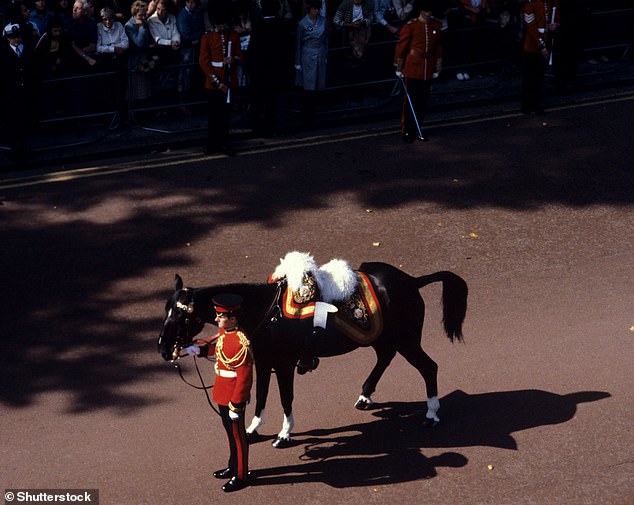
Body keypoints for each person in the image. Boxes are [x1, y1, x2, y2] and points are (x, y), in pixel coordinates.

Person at [185, 294, 253, 493]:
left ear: (233, 318)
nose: (216, 320)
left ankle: (241, 475)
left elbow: (245, 376)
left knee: (239, 437)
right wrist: (201, 351)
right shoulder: (226, 332)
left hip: (233, 397)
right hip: (222, 391)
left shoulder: (241, 341)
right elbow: (220, 349)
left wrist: (237, 403)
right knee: (230, 435)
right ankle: (233, 466)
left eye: (221, 316)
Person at [393, 0, 441, 142]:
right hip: (413, 68)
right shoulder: (411, 27)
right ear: (421, 11)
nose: (428, 14)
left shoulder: (435, 26)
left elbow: (437, 48)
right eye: (425, 11)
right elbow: (401, 47)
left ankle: (418, 126)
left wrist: (437, 68)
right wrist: (398, 67)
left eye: (429, 11)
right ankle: (407, 129)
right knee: (410, 101)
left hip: (427, 68)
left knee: (423, 101)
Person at [198, 0, 242, 155]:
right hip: (214, 82)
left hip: (229, 80)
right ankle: (212, 143)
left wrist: (234, 59)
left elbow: (239, 55)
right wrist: (218, 83)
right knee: (214, 115)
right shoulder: (207, 37)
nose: (222, 27)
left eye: (223, 24)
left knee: (225, 116)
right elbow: (204, 62)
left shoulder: (234, 36)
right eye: (219, 24)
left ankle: (224, 143)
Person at [245, 0, 288, 134]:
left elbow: (252, 49)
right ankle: (270, 125)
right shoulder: (281, 26)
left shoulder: (259, 27)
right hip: (275, 69)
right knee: (272, 99)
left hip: (259, 69)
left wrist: (249, 67)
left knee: (257, 98)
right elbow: (284, 50)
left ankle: (255, 124)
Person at [1, 22, 39, 161]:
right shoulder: (4, 53)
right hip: (11, 96)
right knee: (13, 124)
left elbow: (34, 72)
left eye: (17, 36)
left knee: (27, 122)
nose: (15, 40)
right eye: (12, 37)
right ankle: (16, 152)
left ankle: (27, 150)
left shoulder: (28, 50)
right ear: (7, 38)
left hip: (27, 93)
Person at [294, 0, 327, 124]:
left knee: (317, 84)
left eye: (318, 9)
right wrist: (297, 62)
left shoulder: (322, 21)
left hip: (320, 53)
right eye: (314, 9)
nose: (316, 11)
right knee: (307, 85)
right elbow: (298, 44)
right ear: (309, 9)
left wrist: (325, 56)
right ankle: (307, 114)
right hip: (307, 55)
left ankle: (313, 113)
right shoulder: (302, 24)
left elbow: (326, 40)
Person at [520, 0, 549, 114]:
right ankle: (527, 105)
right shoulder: (530, 3)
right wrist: (541, 45)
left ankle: (536, 104)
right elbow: (531, 27)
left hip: (543, 45)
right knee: (529, 78)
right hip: (531, 47)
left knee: (539, 77)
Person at [176, 0, 204, 114]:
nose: (193, 5)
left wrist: (197, 36)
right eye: (191, 2)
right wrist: (198, 36)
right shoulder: (183, 16)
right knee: (184, 77)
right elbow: (186, 36)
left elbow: (201, 29)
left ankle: (190, 103)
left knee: (192, 75)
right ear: (187, 2)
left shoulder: (196, 13)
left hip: (194, 49)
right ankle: (182, 103)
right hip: (186, 50)